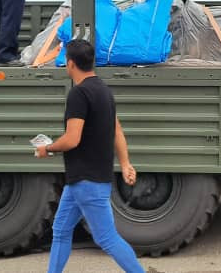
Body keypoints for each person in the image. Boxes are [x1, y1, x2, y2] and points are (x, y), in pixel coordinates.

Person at [35, 39, 144, 273]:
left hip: (87, 181)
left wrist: (48, 148)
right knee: (61, 230)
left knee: (107, 238)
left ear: (70, 64)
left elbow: (72, 138)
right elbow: (117, 131)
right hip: (83, 181)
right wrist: (125, 164)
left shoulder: (79, 94)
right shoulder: (104, 91)